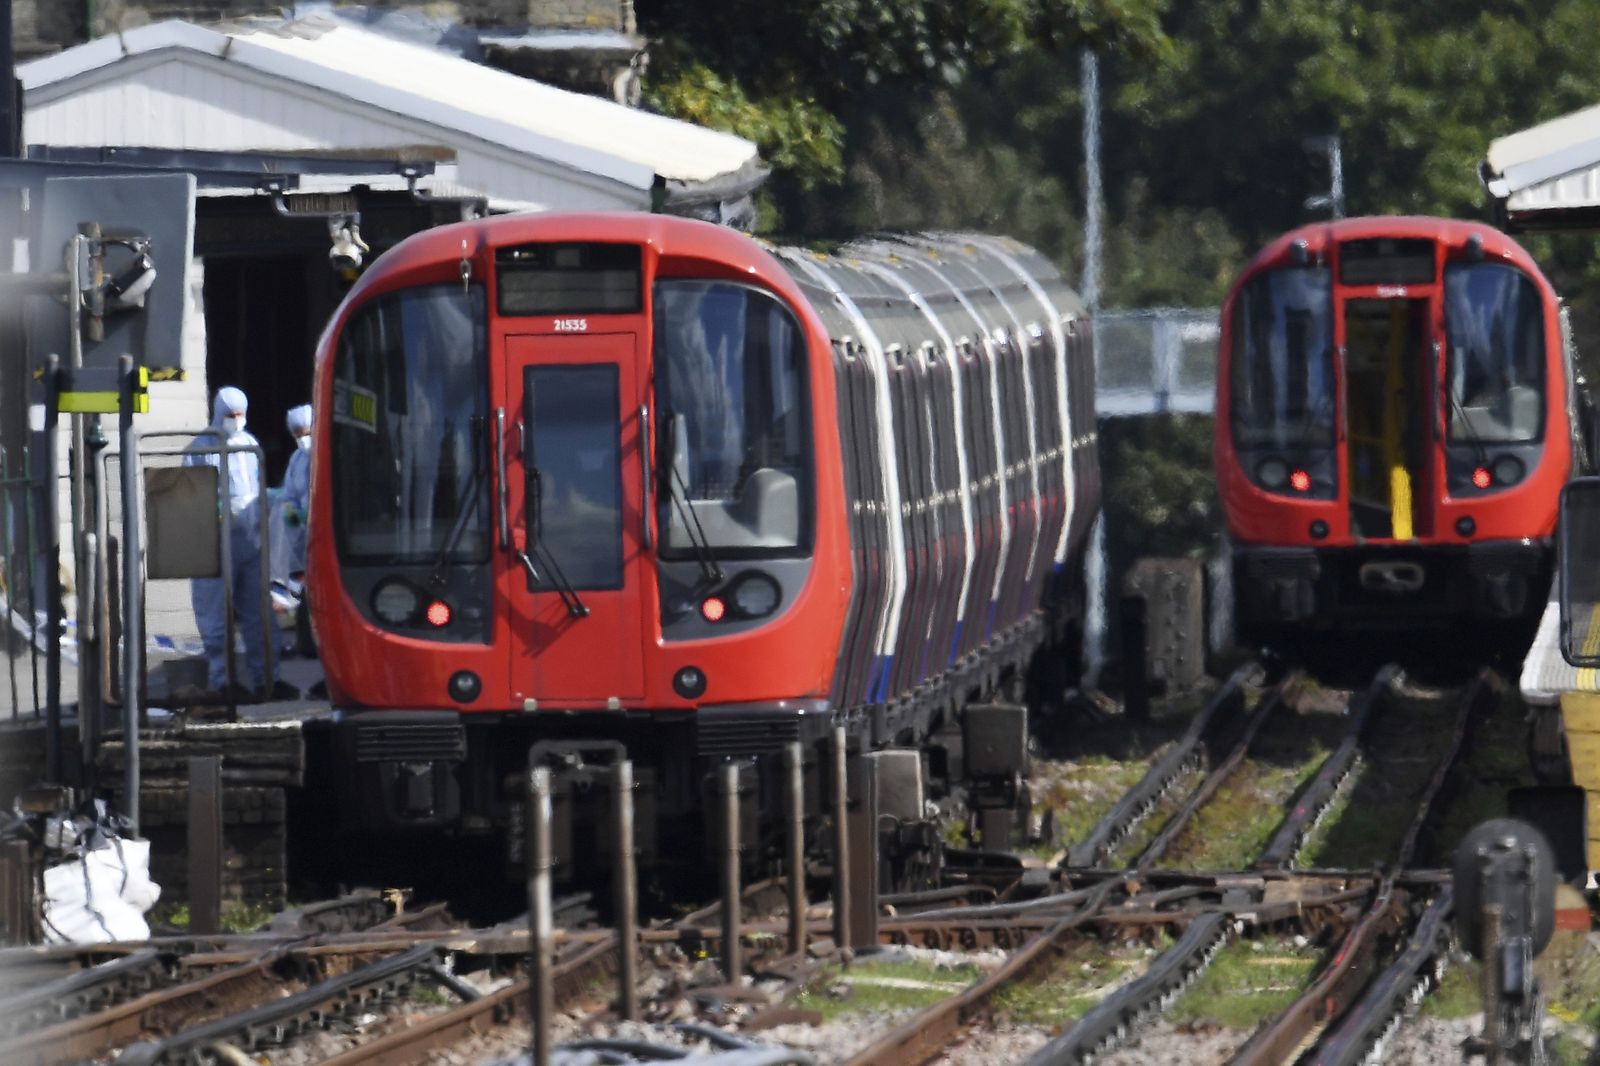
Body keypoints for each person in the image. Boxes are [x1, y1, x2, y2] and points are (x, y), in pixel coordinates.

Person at [185, 387, 298, 703]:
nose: (236, 420)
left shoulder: (249, 444)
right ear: (218, 413)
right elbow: (192, 492)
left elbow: (255, 487)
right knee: (215, 614)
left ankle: (268, 680)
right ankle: (222, 683)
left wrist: (269, 504)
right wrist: (215, 508)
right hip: (214, 542)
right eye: (230, 415)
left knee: (260, 613)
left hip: (251, 540)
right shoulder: (200, 447)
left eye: (240, 414)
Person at [271, 404, 316, 658]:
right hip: (300, 534)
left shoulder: (325, 454)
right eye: (298, 434)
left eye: (306, 433)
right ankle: (306, 643)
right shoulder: (297, 459)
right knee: (301, 590)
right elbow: (289, 493)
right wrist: (289, 509)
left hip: (319, 532)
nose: (303, 439)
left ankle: (312, 644)